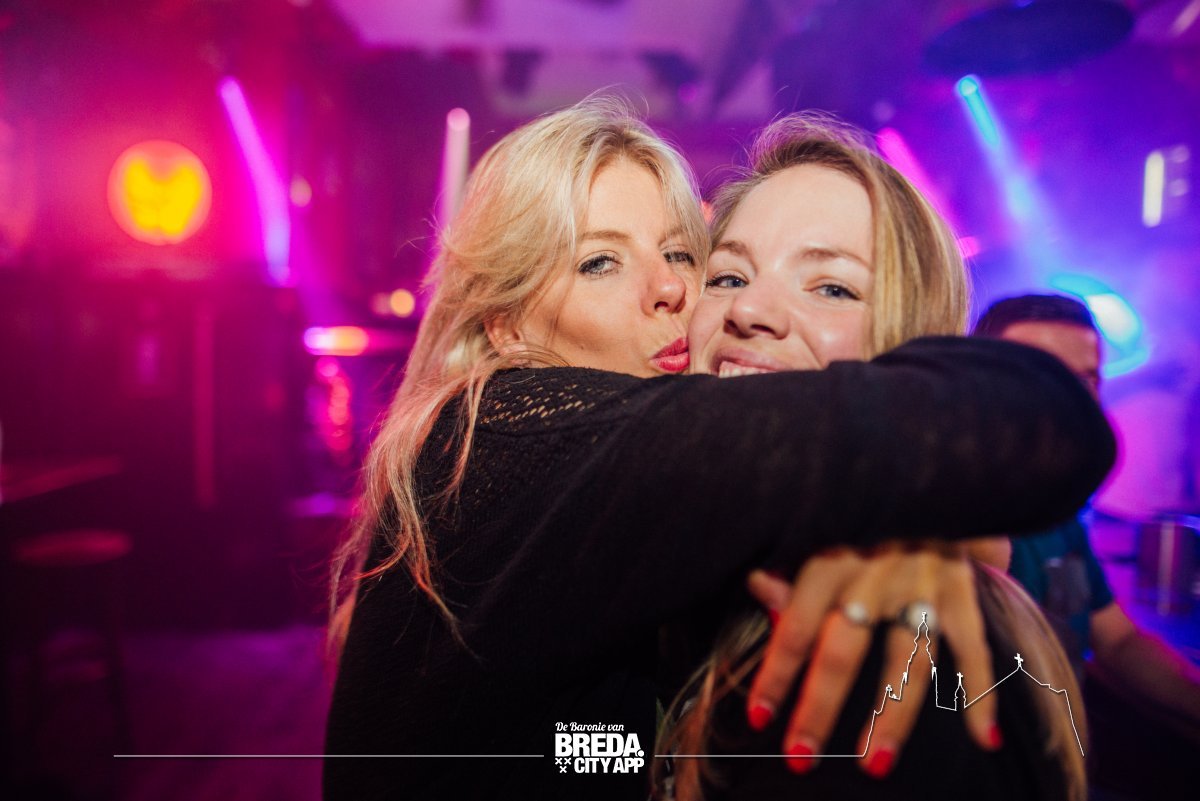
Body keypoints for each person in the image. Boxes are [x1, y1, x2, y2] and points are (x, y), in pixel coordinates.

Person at [323, 98, 1113, 801]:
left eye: (682, 254)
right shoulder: (509, 432)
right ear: (506, 327)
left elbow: (585, 749)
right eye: (599, 261)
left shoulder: (825, 630)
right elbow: (1046, 420)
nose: (674, 290)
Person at [658, 114, 1094, 801]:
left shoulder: (895, 661)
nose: (750, 310)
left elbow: (1064, 421)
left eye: (832, 287)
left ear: (913, 358)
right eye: (729, 275)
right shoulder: (668, 558)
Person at [974, 293, 1200, 798]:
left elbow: (1116, 640)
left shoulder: (1056, 509)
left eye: (1084, 381)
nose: (1066, 400)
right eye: (1037, 374)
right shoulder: (958, 512)